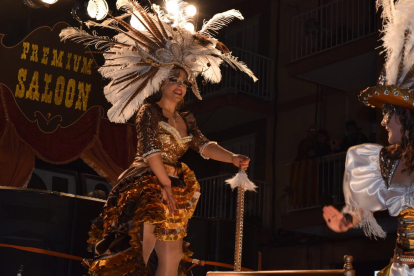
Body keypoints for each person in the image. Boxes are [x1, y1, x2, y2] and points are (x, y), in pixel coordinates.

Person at [60, 1, 257, 275]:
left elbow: (203, 145)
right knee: (142, 241)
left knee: (173, 253)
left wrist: (233, 157)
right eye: (174, 79)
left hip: (175, 185)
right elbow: (150, 149)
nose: (180, 86)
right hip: (148, 182)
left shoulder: (186, 119)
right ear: (161, 81)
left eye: (185, 82)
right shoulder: (149, 111)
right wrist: (163, 184)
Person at [322, 1, 414, 275]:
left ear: (407, 118)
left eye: (390, 114)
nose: (384, 120)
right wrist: (346, 220)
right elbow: (368, 205)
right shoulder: (386, 159)